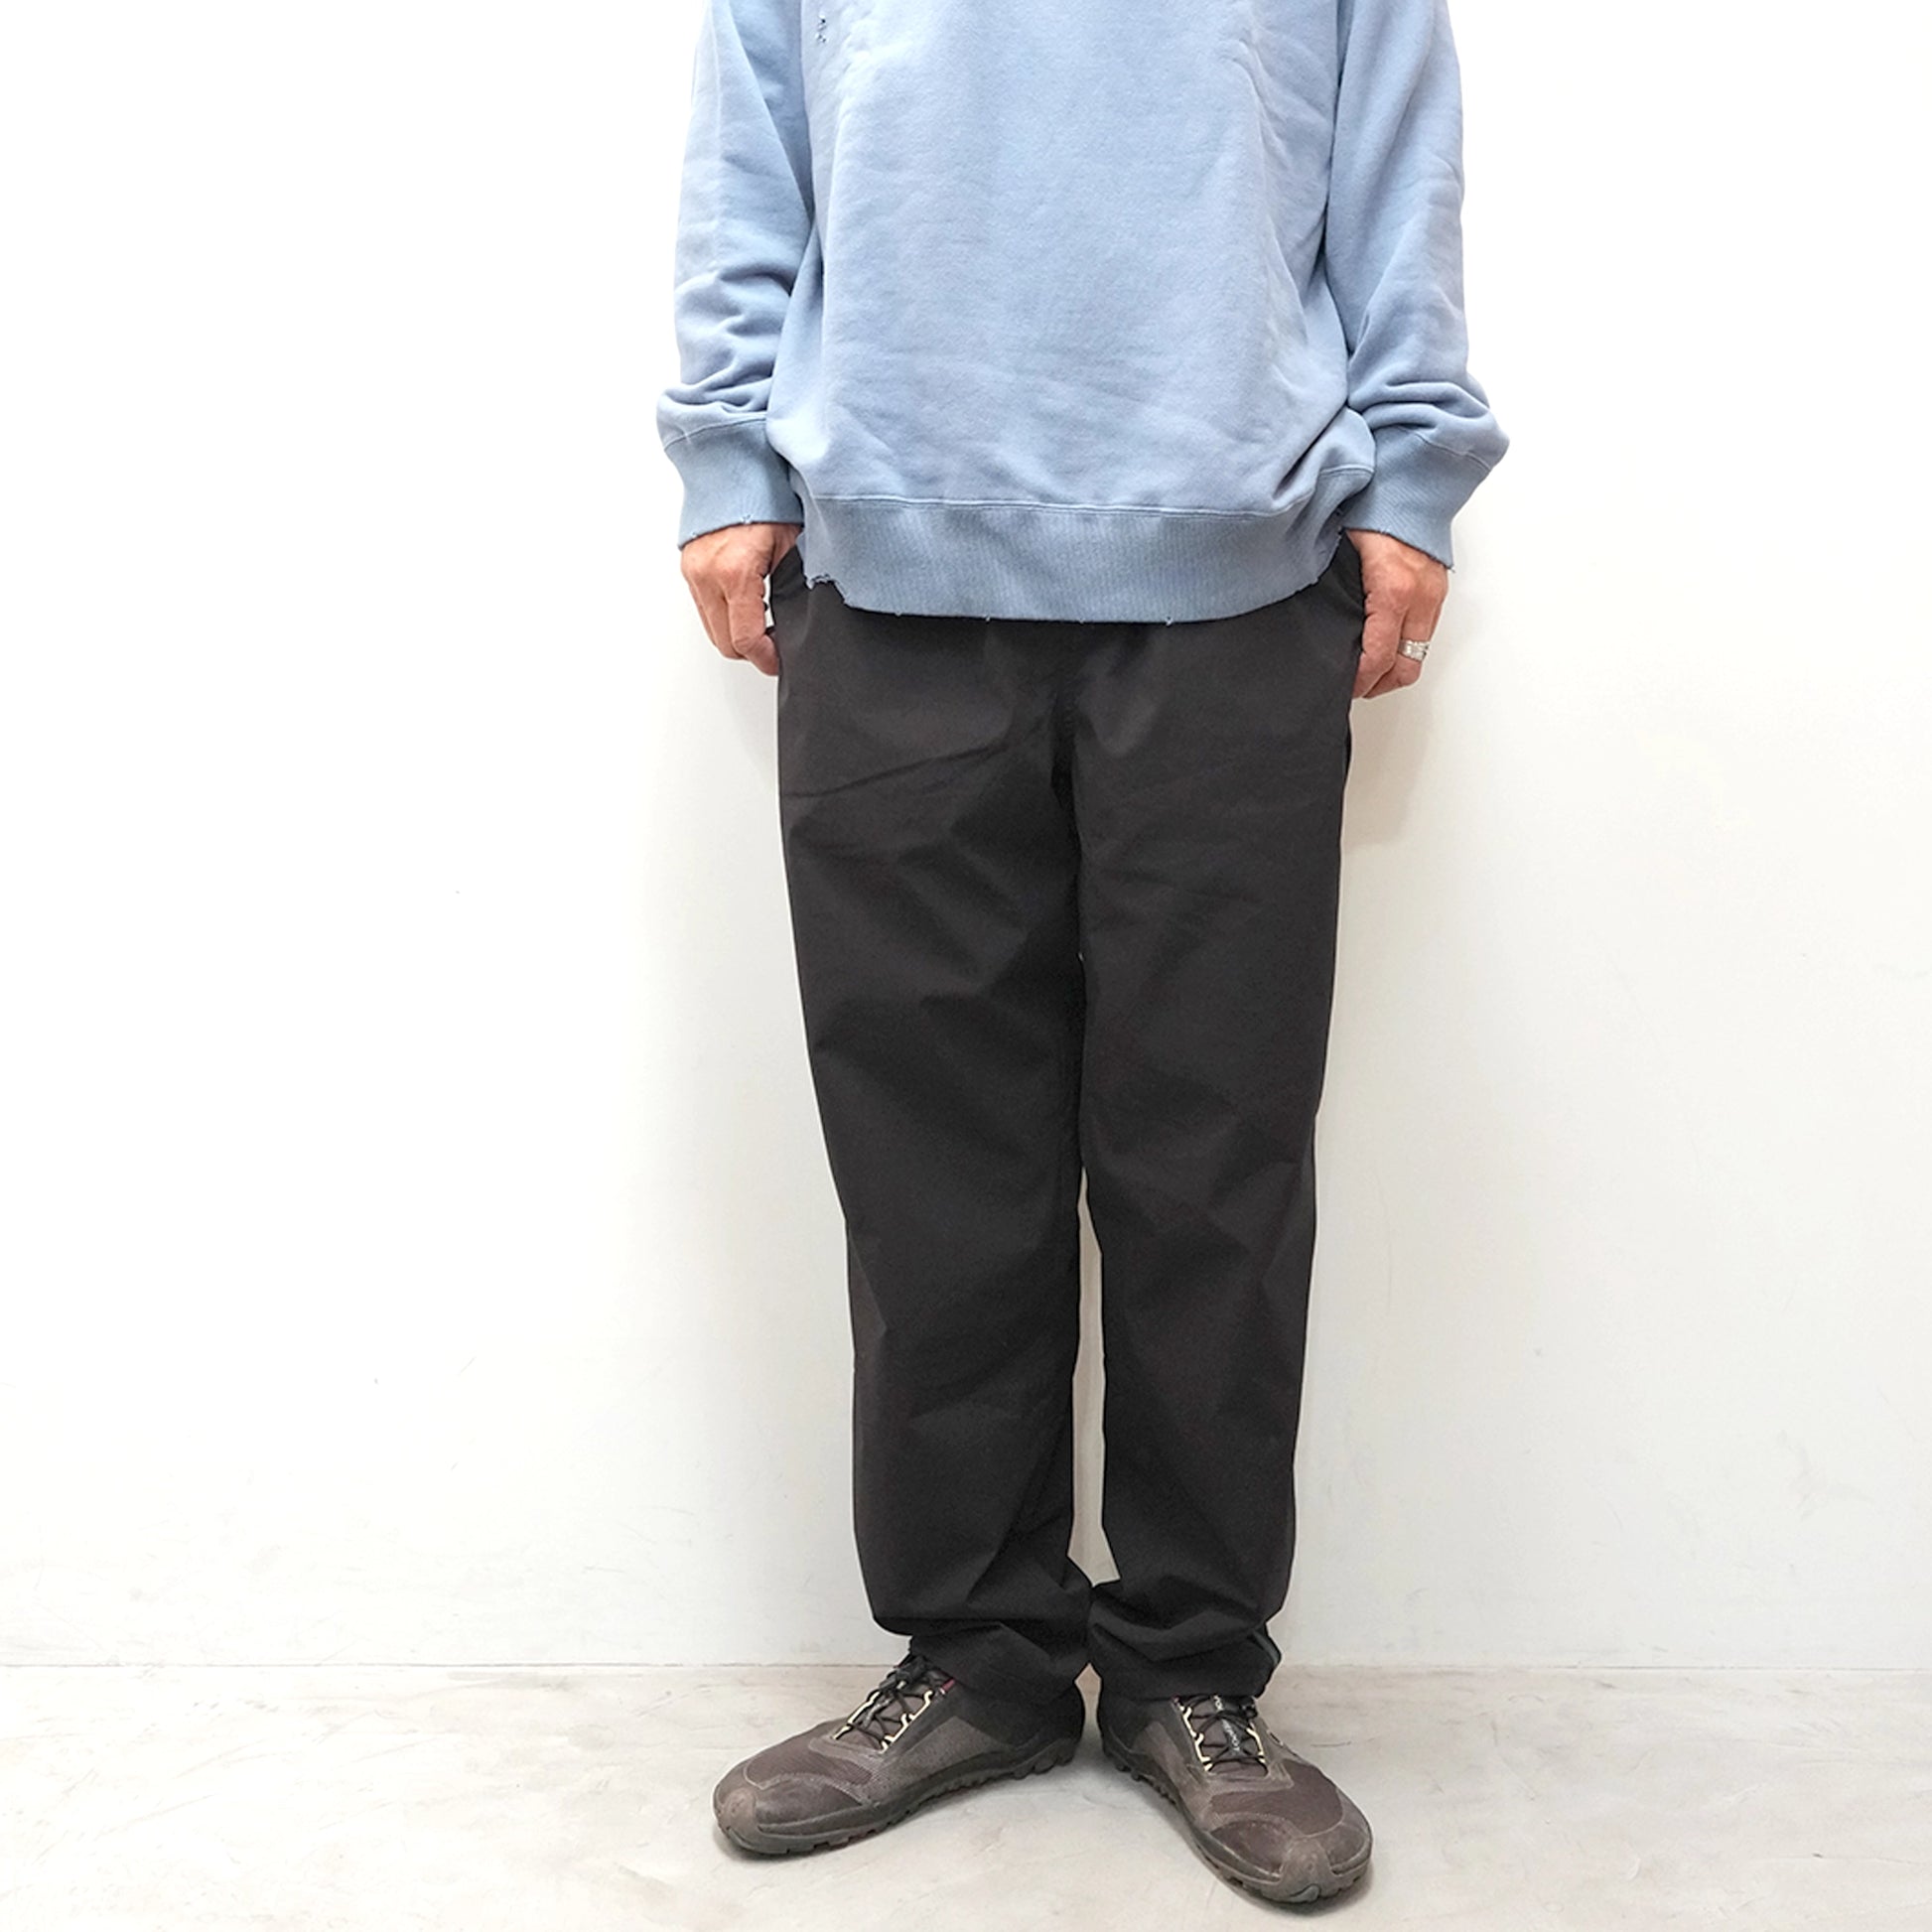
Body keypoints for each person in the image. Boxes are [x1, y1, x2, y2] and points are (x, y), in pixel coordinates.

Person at [657, 0, 1507, 1904]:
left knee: (1211, 1159)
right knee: (928, 1163)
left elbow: (1397, 171)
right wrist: (726, 452)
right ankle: (977, 1656)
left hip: (1237, 572)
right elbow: (750, 150)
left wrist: (1412, 476)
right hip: (889, 568)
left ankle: (1194, 1670)